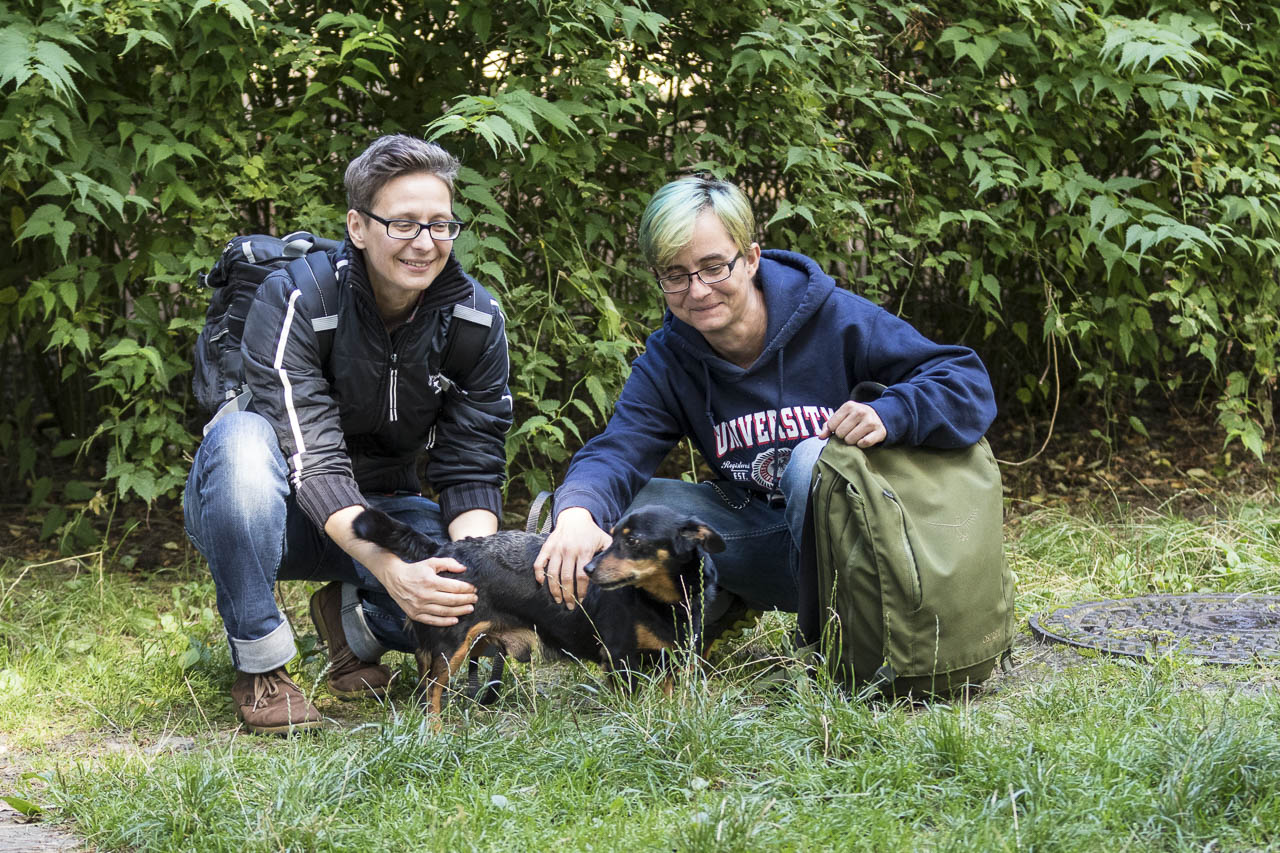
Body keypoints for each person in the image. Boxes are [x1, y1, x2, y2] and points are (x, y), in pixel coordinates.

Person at [533, 174, 996, 646]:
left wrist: (891, 412)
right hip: (756, 535)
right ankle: (695, 619)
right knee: (626, 514)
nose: (698, 291)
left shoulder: (839, 320)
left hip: (863, 551)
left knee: (812, 461)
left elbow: (966, 379)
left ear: (751, 258)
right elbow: (617, 450)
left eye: (714, 267)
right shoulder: (669, 360)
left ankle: (846, 640)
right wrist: (577, 513)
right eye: (675, 275)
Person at [184, 135, 511, 733]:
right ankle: (262, 666)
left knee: (458, 585)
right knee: (240, 442)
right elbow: (314, 461)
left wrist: (472, 577)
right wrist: (390, 568)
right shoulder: (298, 298)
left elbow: (472, 464)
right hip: (268, 509)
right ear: (358, 227)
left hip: (382, 509)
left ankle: (351, 621)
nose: (425, 242)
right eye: (403, 224)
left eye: (440, 224)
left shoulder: (476, 320)